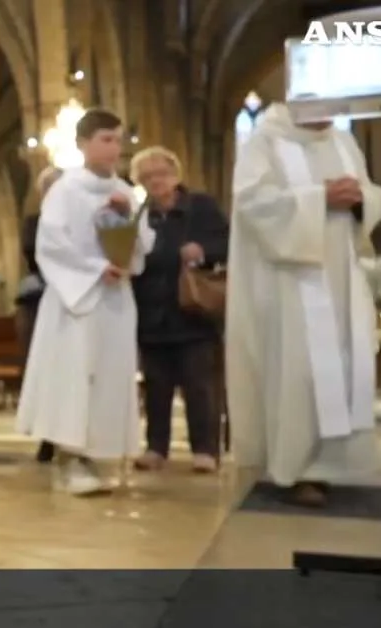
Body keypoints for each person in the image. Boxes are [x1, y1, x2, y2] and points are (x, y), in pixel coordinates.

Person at [226, 102, 381, 507]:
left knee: (343, 368)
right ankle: (292, 469)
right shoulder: (265, 142)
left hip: (341, 278)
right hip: (289, 281)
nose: (331, 111)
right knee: (297, 373)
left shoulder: (344, 141)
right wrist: (320, 198)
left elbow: (368, 196)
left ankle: (332, 465)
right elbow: (252, 204)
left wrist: (360, 199)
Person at [15, 109, 155, 496]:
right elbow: (52, 245)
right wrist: (96, 269)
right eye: (106, 140)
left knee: (109, 375)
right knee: (75, 376)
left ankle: (96, 455)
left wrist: (129, 239)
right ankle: (70, 458)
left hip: (114, 301)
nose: (115, 148)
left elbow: (143, 244)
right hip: (76, 301)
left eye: (118, 140)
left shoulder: (125, 191)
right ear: (82, 143)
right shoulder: (66, 190)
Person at [128, 146, 229, 474]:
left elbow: (228, 242)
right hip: (152, 310)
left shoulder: (201, 206)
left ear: (175, 175)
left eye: (161, 174)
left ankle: (205, 450)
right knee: (156, 385)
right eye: (146, 177)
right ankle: (156, 447)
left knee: (199, 384)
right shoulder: (140, 214)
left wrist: (202, 251)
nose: (155, 181)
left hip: (193, 310)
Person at [15, 168, 63, 464]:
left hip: (73, 301)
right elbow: (34, 253)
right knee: (40, 367)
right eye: (48, 188)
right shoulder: (35, 222)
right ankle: (46, 436)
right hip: (40, 299)